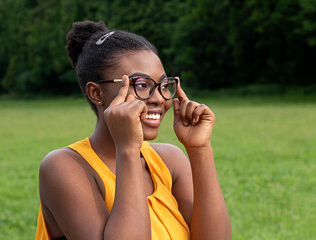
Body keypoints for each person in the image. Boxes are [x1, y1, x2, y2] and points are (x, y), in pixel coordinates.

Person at [35, 20, 231, 240]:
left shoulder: (169, 160)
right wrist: (127, 148)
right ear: (96, 93)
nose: (158, 98)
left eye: (163, 85)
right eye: (141, 85)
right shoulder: (64, 167)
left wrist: (200, 149)